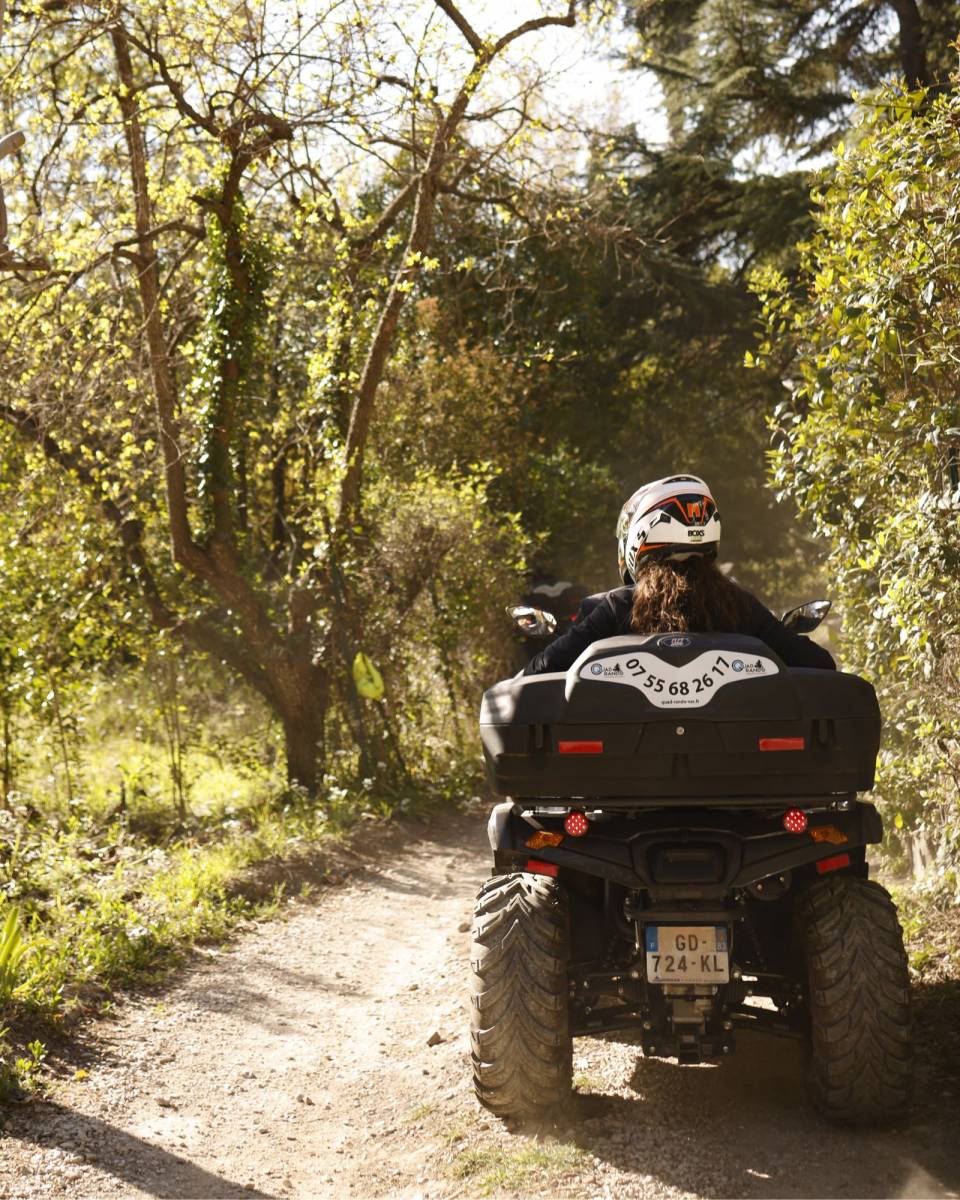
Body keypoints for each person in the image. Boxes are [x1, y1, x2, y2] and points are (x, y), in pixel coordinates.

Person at [524, 474, 835, 675]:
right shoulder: (737, 603)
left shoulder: (615, 606)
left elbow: (544, 668)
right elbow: (819, 664)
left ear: (640, 534)